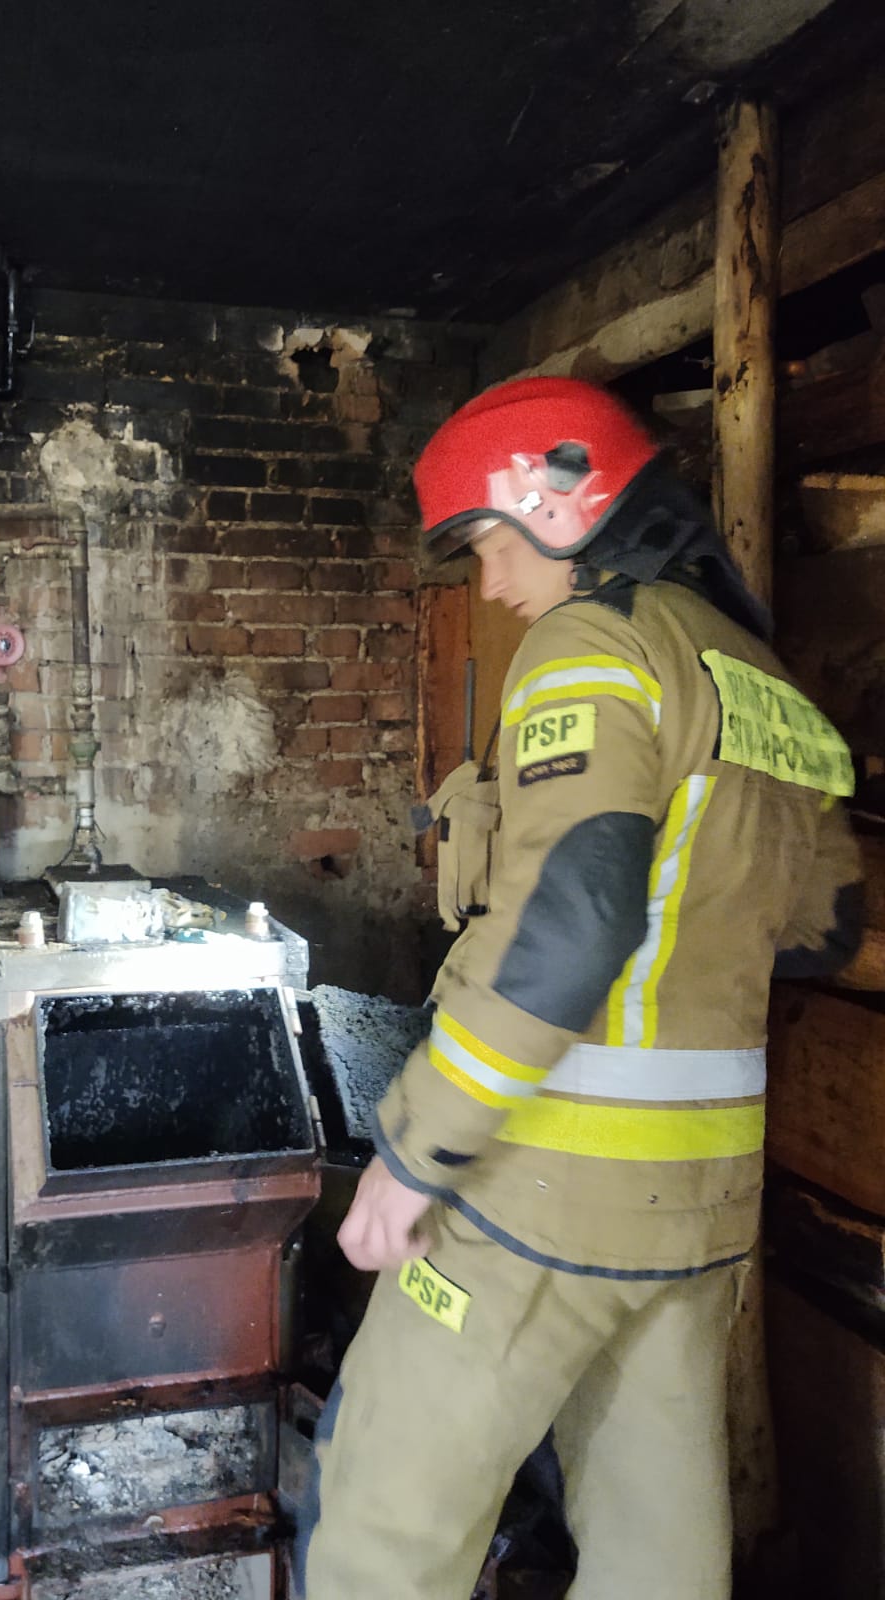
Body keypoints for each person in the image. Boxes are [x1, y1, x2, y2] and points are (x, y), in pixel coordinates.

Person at [296, 377, 862, 1600]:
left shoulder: (591, 646)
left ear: (565, 503)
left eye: (492, 542)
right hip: (702, 1202)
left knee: (381, 1523)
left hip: (542, 1182)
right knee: (659, 1548)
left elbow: (574, 920)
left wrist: (414, 1152)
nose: (493, 581)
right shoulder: (760, 678)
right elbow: (827, 929)